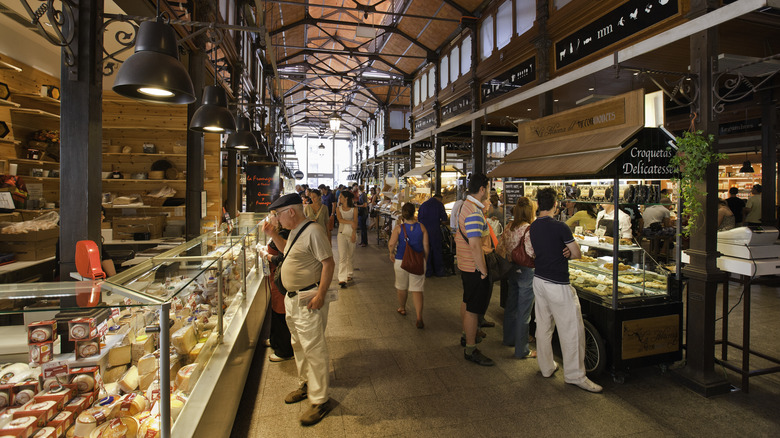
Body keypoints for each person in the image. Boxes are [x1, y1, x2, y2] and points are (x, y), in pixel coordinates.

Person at [262, 193, 336, 425]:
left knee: (313, 348)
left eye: (278, 214)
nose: (277, 219)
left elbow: (328, 263)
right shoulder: (295, 230)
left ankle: (320, 399)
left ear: (290, 212)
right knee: (299, 344)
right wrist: (273, 234)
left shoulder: (313, 231)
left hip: (308, 298)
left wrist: (321, 294)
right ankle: (307, 384)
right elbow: (288, 252)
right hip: (292, 299)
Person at [529, 188, 602, 393]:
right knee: (571, 329)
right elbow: (577, 253)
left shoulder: (534, 226)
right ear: (555, 204)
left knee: (543, 325)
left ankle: (546, 367)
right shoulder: (560, 227)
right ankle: (575, 375)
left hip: (539, 280)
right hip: (558, 282)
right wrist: (569, 251)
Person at [454, 173, 494, 366]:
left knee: (467, 300)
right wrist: (483, 270)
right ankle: (471, 349)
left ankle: (465, 335)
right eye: (488, 187)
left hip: (464, 263)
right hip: (473, 266)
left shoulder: (464, 205)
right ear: (482, 189)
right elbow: (476, 245)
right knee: (473, 308)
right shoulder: (473, 212)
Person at [497, 196, 536, 359]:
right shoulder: (529, 229)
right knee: (524, 312)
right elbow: (531, 252)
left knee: (511, 306)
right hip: (526, 271)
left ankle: (508, 339)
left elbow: (502, 245)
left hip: (511, 269)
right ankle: (522, 350)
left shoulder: (510, 225)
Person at [387, 202, 429, 329]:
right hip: (418, 261)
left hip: (401, 261)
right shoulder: (422, 227)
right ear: (414, 213)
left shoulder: (399, 228)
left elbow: (391, 244)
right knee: (417, 290)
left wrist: (391, 253)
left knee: (401, 286)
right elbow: (426, 246)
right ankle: (419, 316)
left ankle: (402, 308)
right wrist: (425, 259)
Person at [259, 225, 293, 362]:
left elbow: (282, 257)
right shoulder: (279, 232)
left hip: (280, 277)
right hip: (274, 278)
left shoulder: (284, 233)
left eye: (275, 214)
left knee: (280, 312)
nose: (271, 217)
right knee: (275, 310)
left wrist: (266, 255)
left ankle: (284, 350)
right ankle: (274, 340)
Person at [417, 194, 449, 277]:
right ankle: (439, 271)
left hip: (423, 231)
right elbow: (444, 219)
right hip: (435, 231)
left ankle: (427, 271)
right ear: (440, 199)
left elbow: (419, 219)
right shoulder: (439, 204)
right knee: (437, 250)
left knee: (426, 251)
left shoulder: (423, 204)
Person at [336, 191, 358, 288]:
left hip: (351, 233)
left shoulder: (354, 209)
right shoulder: (338, 209)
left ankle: (349, 273)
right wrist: (350, 222)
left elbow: (356, 222)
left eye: (341, 197)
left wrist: (354, 234)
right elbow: (340, 220)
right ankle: (342, 278)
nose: (339, 198)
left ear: (346, 198)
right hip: (341, 233)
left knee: (351, 255)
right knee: (342, 256)